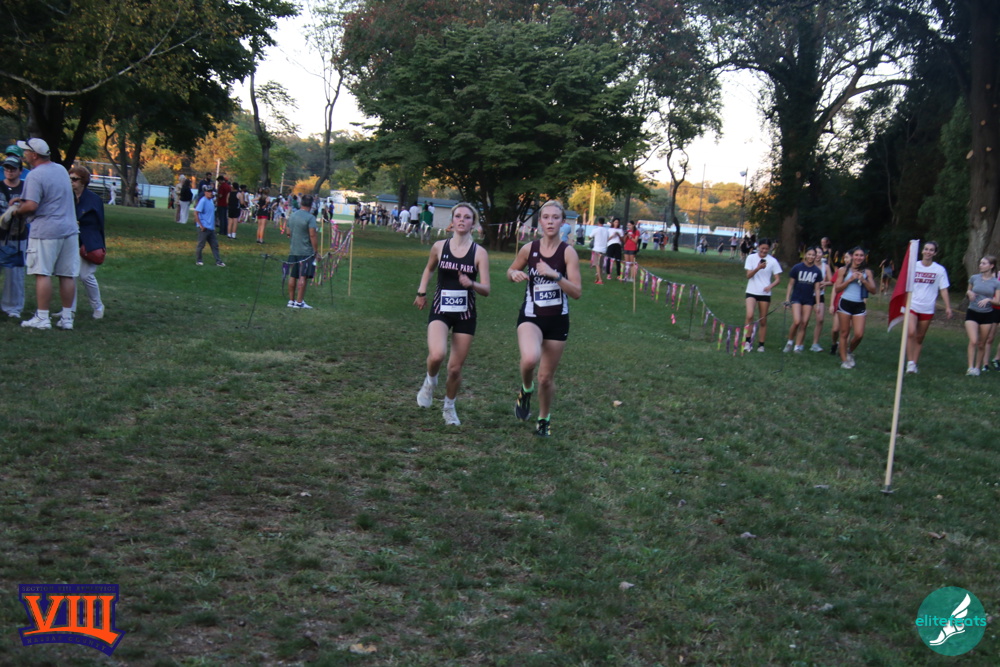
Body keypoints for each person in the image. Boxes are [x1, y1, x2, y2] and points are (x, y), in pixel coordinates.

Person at [508, 200, 582, 437]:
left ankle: (543, 418)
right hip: (531, 316)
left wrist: (556, 275)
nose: (550, 222)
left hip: (557, 321)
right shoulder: (529, 249)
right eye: (546, 217)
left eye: (555, 218)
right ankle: (525, 389)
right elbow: (511, 270)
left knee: (546, 378)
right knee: (530, 358)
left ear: (563, 222)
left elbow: (577, 292)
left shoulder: (568, 253)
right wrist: (514, 274)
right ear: (540, 221)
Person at [414, 203, 491, 426]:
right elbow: (429, 268)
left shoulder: (479, 253)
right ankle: (430, 382)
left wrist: (471, 283)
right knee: (437, 355)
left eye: (467, 217)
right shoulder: (439, 247)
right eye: (458, 216)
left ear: (473, 223)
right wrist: (421, 292)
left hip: (466, 314)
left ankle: (449, 408)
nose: (462, 220)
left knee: (455, 369)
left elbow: (486, 289)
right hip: (441, 309)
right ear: (452, 220)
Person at [11, 138, 79, 331]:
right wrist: (23, 200)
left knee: (42, 273)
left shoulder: (35, 175)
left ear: (34, 155)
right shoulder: (60, 170)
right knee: (67, 275)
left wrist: (16, 211)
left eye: (26, 151)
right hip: (69, 229)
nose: (24, 154)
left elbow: (32, 205)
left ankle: (42, 317)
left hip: (46, 231)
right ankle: (67, 318)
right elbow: (52, 195)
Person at [60, 166, 106, 320]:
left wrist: (97, 243)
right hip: (70, 239)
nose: (71, 182)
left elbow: (99, 224)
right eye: (69, 179)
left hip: (87, 242)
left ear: (83, 182)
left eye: (74, 179)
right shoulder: (67, 197)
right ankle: (69, 310)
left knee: (86, 276)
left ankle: (97, 305)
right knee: (69, 275)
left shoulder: (93, 199)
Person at [906, 241, 953, 374]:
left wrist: (948, 307)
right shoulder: (913, 266)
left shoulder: (939, 270)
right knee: (911, 332)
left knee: (919, 337)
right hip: (913, 304)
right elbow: (904, 284)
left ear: (935, 253)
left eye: (931, 250)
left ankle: (914, 363)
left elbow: (943, 289)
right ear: (922, 251)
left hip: (927, 307)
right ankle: (910, 362)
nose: (928, 252)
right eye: (926, 249)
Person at [831, 246, 877, 369]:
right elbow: (837, 288)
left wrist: (864, 280)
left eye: (861, 255)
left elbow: (873, 290)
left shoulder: (867, 272)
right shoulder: (843, 270)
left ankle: (849, 351)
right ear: (852, 256)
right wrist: (850, 280)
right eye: (856, 255)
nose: (858, 258)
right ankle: (844, 360)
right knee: (844, 333)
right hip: (845, 302)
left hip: (859, 304)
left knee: (859, 334)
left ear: (864, 257)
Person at [0, 155, 27, 318]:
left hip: (17, 237)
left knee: (15, 274)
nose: (9, 171)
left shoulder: (26, 188)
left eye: (13, 168)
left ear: (20, 171)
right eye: (7, 168)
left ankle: (13, 307)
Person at [742, 238, 781, 352]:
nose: (764, 251)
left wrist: (770, 286)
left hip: (764, 293)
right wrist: (758, 268)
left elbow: (778, 279)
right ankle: (747, 341)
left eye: (767, 249)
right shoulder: (751, 258)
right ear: (758, 246)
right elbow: (748, 276)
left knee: (763, 319)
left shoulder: (772, 261)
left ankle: (761, 344)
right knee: (749, 315)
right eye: (762, 248)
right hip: (751, 291)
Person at [963, 256, 999, 375]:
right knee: (973, 340)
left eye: (984, 263)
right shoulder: (974, 278)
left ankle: (977, 368)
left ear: (991, 266)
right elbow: (968, 291)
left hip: (987, 315)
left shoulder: (996, 283)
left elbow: (998, 301)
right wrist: (969, 293)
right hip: (972, 312)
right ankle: (970, 368)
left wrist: (989, 300)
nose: (980, 265)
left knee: (981, 344)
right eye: (980, 263)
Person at [782, 247, 823, 353]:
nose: (811, 257)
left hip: (808, 300)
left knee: (804, 323)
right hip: (796, 297)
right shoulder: (797, 267)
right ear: (805, 255)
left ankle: (798, 346)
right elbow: (790, 284)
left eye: (813, 255)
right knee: (797, 321)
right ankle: (790, 342)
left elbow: (817, 289)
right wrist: (787, 299)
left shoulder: (817, 271)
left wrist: (818, 303)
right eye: (809, 254)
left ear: (815, 256)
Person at [285, 195, 319, 309]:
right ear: (311, 205)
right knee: (303, 276)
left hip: (293, 250)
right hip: (305, 252)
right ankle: (299, 302)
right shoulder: (310, 218)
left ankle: (291, 301)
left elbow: (288, 232)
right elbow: (312, 235)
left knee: (292, 275)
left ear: (301, 203)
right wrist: (316, 251)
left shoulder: (293, 215)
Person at [810, 241, 834, 352]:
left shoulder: (826, 267)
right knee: (803, 320)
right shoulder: (808, 265)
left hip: (820, 295)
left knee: (820, 319)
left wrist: (824, 283)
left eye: (820, 252)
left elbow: (831, 281)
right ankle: (797, 343)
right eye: (816, 252)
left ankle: (815, 343)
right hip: (807, 294)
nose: (818, 255)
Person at [193, 186, 224, 267]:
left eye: (211, 191)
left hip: (211, 228)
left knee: (215, 245)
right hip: (204, 227)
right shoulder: (203, 201)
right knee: (201, 245)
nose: (210, 193)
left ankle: (218, 261)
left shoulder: (211, 201)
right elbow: (196, 213)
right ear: (205, 192)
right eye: (208, 191)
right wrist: (200, 225)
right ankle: (199, 260)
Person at [590, 217, 609, 284]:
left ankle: (600, 280)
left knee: (597, 265)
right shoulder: (606, 230)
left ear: (598, 222)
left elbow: (590, 236)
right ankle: (597, 278)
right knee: (600, 265)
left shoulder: (596, 229)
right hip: (603, 249)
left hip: (597, 249)